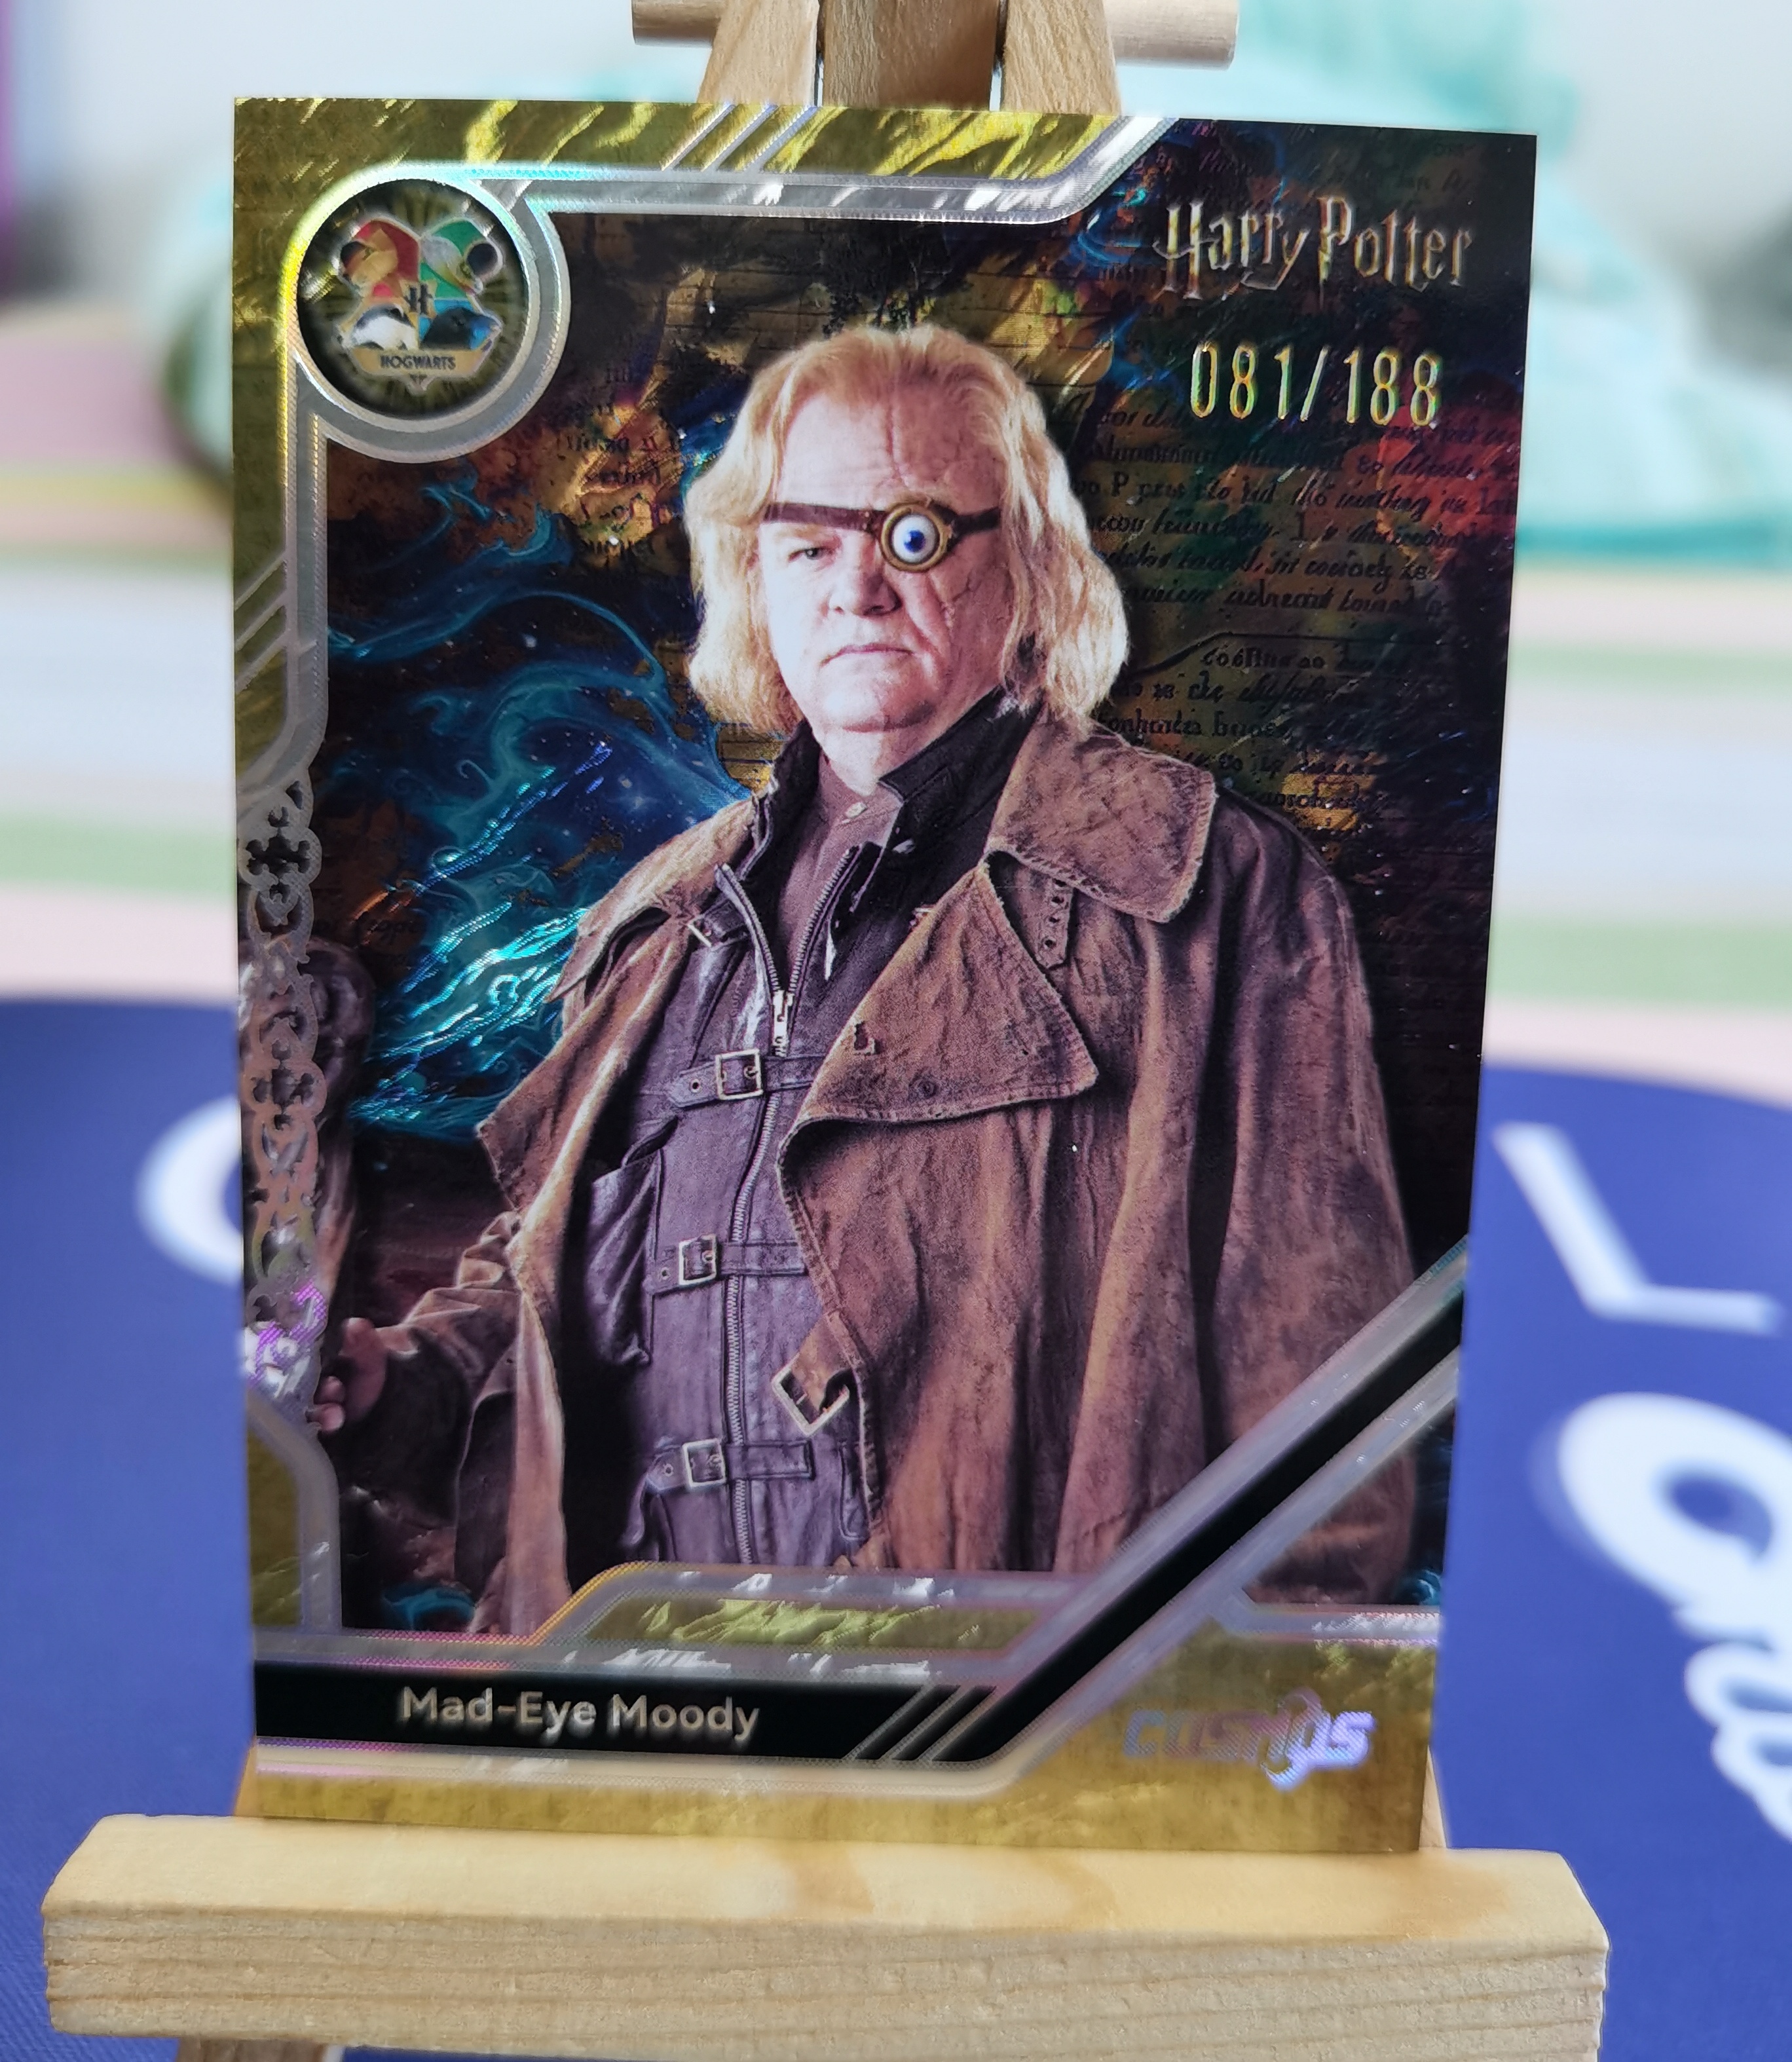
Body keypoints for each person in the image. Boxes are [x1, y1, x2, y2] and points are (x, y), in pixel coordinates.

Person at [313, 322, 1413, 1635]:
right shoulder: (648, 927)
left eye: (914, 534)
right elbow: (549, 1311)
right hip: (635, 1709)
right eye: (807, 545)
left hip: (987, 1725)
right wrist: (391, 1387)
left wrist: (1206, 1728)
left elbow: (1324, 1438)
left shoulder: (1205, 890)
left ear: (1030, 567)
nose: (858, 588)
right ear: (755, 581)